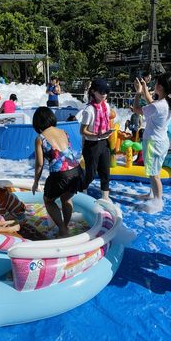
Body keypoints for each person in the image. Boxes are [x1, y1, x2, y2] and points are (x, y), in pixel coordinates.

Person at [32, 107, 84, 238]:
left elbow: (39, 164)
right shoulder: (63, 132)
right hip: (76, 171)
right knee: (66, 198)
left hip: (60, 175)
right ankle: (65, 226)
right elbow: (67, 153)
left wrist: (35, 182)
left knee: (48, 200)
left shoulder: (40, 138)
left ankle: (62, 229)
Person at [132, 72, 171, 209]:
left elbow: (136, 109)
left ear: (161, 87)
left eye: (156, 83)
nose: (155, 85)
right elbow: (150, 101)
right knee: (154, 171)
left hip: (153, 143)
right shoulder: (166, 103)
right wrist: (144, 88)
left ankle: (158, 201)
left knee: (154, 174)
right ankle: (153, 195)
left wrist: (138, 92)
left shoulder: (158, 106)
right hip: (160, 141)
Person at [80, 78, 113, 201]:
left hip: (104, 142)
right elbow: (82, 131)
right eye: (101, 92)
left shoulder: (107, 106)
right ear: (93, 91)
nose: (104, 95)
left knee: (105, 171)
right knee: (91, 174)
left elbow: (107, 121)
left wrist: (107, 133)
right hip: (91, 145)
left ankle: (105, 197)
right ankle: (83, 191)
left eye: (106, 92)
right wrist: (97, 135)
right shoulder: (89, 110)